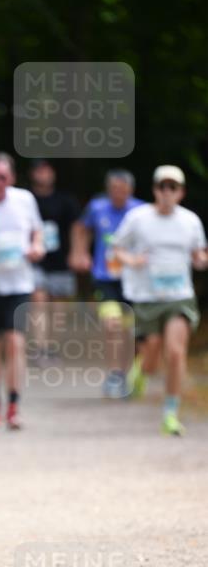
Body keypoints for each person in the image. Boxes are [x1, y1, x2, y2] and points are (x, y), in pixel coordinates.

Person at [112, 165, 207, 435]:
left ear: (181, 192)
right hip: (147, 297)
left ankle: (170, 413)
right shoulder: (138, 218)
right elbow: (116, 248)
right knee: (151, 354)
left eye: (172, 187)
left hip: (180, 297)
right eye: (162, 187)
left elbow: (199, 255)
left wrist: (200, 259)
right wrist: (132, 260)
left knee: (176, 353)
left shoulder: (190, 221)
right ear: (154, 190)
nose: (167, 192)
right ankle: (142, 372)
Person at [0, 152, 45, 429]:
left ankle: (14, 405)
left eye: (2, 177)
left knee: (15, 343)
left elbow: (38, 232)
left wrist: (37, 247)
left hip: (18, 283)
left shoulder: (25, 199)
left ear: (11, 177)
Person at [69, 170, 144, 398]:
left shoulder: (141, 211)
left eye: (122, 190)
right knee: (112, 325)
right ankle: (114, 373)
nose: (118, 194)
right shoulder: (98, 207)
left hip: (134, 279)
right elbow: (80, 228)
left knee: (131, 331)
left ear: (130, 190)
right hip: (105, 277)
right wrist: (80, 252)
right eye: (114, 190)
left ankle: (129, 375)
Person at [28, 159, 80, 362]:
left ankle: (52, 348)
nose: (43, 174)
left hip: (61, 261)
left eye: (47, 170)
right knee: (39, 304)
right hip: (35, 261)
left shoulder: (65, 200)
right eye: (39, 171)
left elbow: (77, 227)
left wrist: (76, 253)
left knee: (58, 310)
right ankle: (40, 349)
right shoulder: (27, 198)